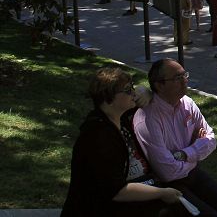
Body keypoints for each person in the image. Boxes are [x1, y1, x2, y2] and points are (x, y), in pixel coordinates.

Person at [62, 67, 184, 216]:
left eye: (132, 87)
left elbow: (143, 95)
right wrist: (161, 193)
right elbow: (116, 191)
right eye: (127, 90)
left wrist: (145, 90)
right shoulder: (98, 136)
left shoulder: (119, 118)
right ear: (108, 98)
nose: (133, 93)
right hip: (96, 208)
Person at [134, 59, 217, 217]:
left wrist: (183, 155)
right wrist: (195, 152)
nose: (184, 81)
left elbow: (210, 139)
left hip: (192, 174)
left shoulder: (187, 104)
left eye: (184, 75)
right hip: (169, 186)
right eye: (177, 78)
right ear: (159, 85)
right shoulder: (148, 118)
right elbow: (168, 172)